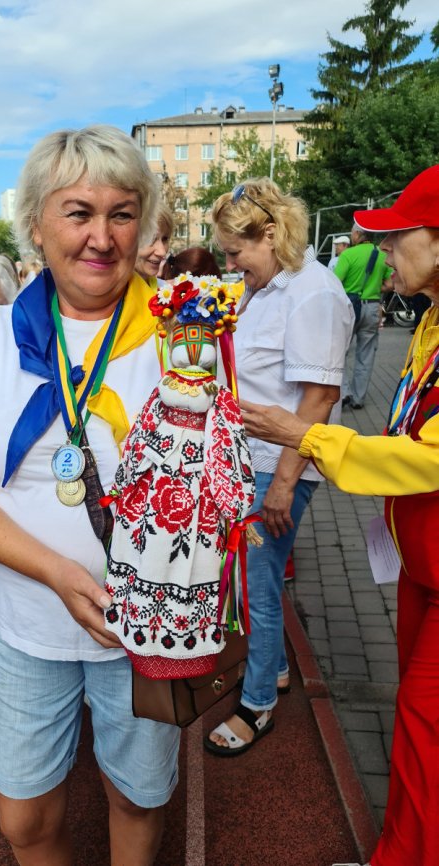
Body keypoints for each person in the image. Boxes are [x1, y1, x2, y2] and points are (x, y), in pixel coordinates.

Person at [0, 124, 182, 866]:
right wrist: (57, 573)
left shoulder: (180, 332)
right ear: (36, 224)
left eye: (122, 214)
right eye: (79, 213)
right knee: (25, 820)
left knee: (137, 799)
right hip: (28, 619)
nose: (102, 236)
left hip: (144, 628)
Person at [238, 164, 439, 866]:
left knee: (421, 725)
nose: (382, 252)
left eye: (396, 237)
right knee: (417, 724)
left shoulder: (317, 294)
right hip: (420, 562)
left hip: (425, 558)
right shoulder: (429, 321)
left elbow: (428, 455)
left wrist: (302, 444)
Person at [204, 178, 354, 757]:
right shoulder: (268, 287)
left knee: (257, 586)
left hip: (276, 466)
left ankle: (258, 702)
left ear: (270, 234)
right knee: (252, 581)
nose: (230, 264)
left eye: (235, 252)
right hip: (252, 460)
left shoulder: (314, 293)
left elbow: (318, 399)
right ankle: (275, 669)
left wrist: (285, 484)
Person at [336, 225, 393, 410]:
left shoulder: (348, 255)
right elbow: (390, 284)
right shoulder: (382, 255)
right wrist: (374, 289)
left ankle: (344, 392)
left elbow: (335, 282)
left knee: (339, 352)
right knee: (366, 354)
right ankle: (358, 398)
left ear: (357, 234)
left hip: (350, 308)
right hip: (372, 307)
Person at [135, 202, 174, 289]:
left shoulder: (166, 290)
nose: (162, 252)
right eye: (151, 239)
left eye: (165, 239)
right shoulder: (110, 294)